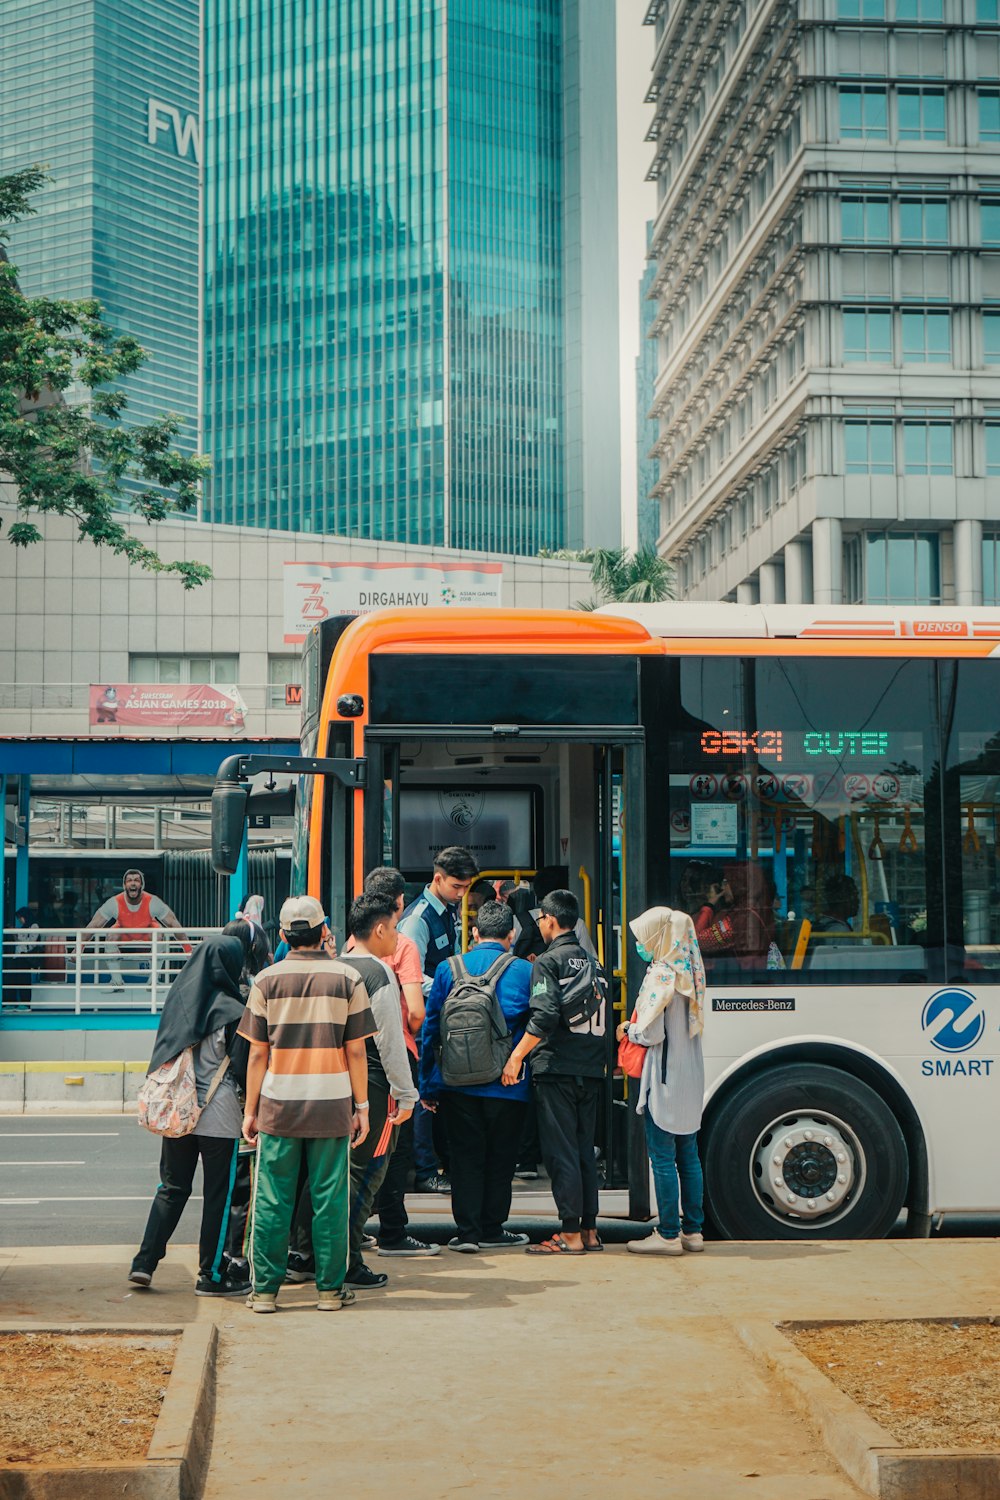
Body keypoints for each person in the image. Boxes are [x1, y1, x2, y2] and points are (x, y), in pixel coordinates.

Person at [238, 895, 375, 1313]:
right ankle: (330, 1291)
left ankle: (264, 1291)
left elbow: (258, 1054)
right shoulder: (347, 980)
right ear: (324, 931)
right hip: (331, 1105)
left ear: (283, 936)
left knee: (273, 1199)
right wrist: (363, 1108)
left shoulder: (266, 981)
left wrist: (251, 1111)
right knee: (330, 1198)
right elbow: (356, 1052)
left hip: (279, 1106)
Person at [289, 889, 419, 1291]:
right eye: (395, 929)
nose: (398, 937)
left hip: (332, 1086)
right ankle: (345, 1260)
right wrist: (407, 1093)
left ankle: (304, 1253)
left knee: (326, 1174)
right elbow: (390, 1042)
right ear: (379, 929)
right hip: (375, 1088)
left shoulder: (333, 967)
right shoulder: (378, 974)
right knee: (367, 1173)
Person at [128, 934, 252, 1297]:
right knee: (218, 1196)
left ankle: (144, 1263)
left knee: (171, 1188)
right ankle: (210, 1275)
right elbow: (243, 1067)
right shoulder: (233, 1011)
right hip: (220, 1117)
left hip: (177, 1114)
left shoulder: (177, 1003)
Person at [421, 900, 533, 1252]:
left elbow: (431, 1029)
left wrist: (428, 1084)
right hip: (507, 1084)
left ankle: (467, 1233)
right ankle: (492, 1229)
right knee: (500, 1157)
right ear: (511, 935)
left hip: (456, 1084)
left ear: (473, 933)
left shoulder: (447, 968)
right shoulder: (523, 971)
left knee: (465, 1157)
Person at [502, 888, 606, 1255]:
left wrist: (516, 1057)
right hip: (591, 1069)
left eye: (541, 920)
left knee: (560, 1151)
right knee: (582, 1151)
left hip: (557, 1068)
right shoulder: (595, 964)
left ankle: (569, 1235)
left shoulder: (547, 962)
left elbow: (544, 1015)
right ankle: (590, 1230)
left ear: (548, 920)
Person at [357, 867, 440, 1260]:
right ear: (399, 904)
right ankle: (393, 1231)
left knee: (362, 1146)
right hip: (393, 1052)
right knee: (394, 1148)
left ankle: (354, 1229)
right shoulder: (401, 944)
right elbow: (417, 1012)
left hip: (357, 1054)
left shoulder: (351, 945)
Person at [619, 906, 706, 1256]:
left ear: (660, 937)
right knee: (689, 1156)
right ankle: (693, 1231)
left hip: (665, 1081)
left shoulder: (662, 976)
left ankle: (669, 1234)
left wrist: (628, 1030)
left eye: (645, 937)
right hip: (690, 1077)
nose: (641, 944)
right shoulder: (692, 971)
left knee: (662, 1158)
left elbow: (651, 1032)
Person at [399, 845, 479, 1193]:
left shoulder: (445, 911)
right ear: (437, 879)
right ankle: (424, 1170)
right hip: (422, 1018)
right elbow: (410, 977)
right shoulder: (418, 920)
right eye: (456, 887)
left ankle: (437, 1163)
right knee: (422, 1095)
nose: (462, 894)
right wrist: (455, 985)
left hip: (441, 1013)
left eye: (465, 888)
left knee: (434, 1094)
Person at [219, 914, 274, 1282]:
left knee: (224, 1184)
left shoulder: (211, 987)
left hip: (215, 1102)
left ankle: (220, 1252)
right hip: (240, 1102)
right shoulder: (247, 993)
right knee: (244, 1186)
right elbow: (247, 1057)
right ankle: (237, 1256)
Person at [84, 870, 186, 988]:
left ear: (141, 885)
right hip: (124, 932)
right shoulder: (114, 902)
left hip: (146, 932)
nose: (133, 884)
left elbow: (173, 923)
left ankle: (153, 981)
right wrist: (78, 948)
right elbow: (95, 924)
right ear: (124, 885)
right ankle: (117, 982)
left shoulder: (153, 902)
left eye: (136, 880)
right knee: (111, 935)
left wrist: (188, 949)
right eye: (129, 881)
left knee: (159, 933)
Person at [8, 907, 40, 1006]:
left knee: (24, 980)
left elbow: (31, 943)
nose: (19, 920)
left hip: (25, 957)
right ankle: (12, 1002)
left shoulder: (33, 926)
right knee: (14, 979)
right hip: (17, 956)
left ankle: (25, 1003)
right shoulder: (23, 927)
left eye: (20, 917)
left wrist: (17, 935)